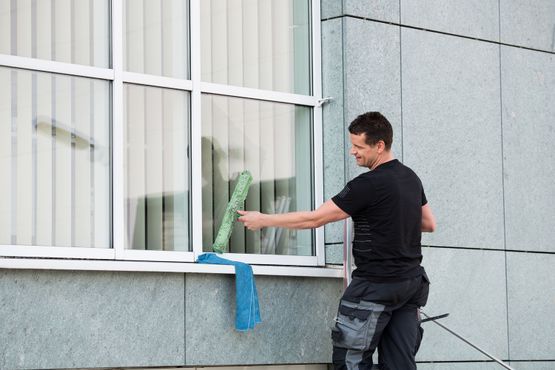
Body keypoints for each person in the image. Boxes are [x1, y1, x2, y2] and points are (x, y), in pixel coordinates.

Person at [238, 111, 436, 369]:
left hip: (375, 286)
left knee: (349, 362)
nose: (353, 152)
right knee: (400, 364)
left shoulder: (367, 184)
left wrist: (263, 220)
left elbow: (314, 219)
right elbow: (429, 223)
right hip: (410, 285)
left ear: (380, 145)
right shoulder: (411, 178)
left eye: (358, 146)